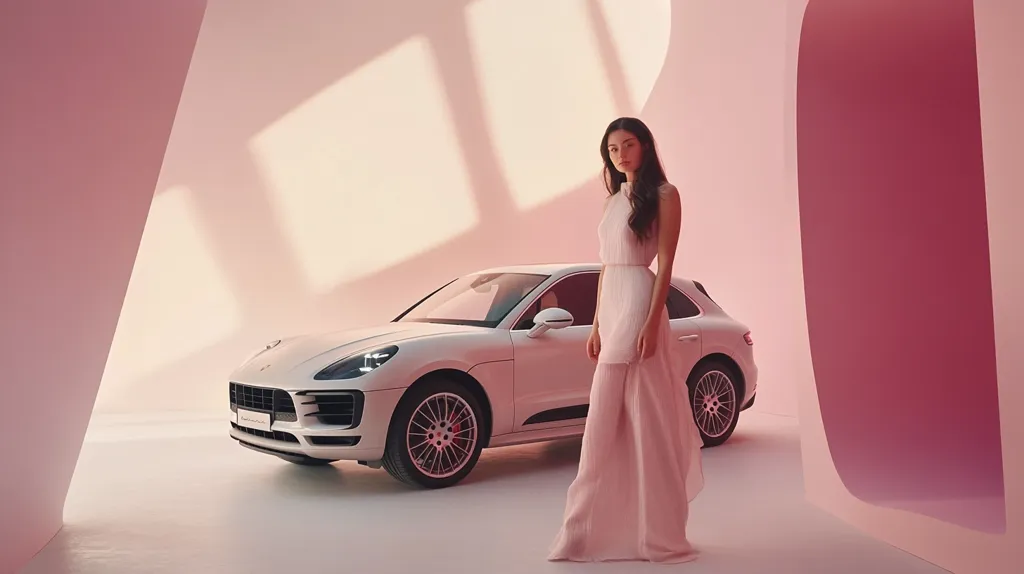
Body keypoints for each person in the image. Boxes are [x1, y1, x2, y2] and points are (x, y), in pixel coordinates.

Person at [548, 117, 705, 563]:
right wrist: (596, 324)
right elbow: (606, 267)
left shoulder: (665, 195)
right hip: (613, 304)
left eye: (628, 145)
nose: (620, 155)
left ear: (646, 147)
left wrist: (652, 323)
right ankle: (584, 532)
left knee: (647, 417)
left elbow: (666, 263)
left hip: (639, 300)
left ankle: (658, 533)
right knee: (604, 422)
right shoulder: (611, 202)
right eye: (613, 149)